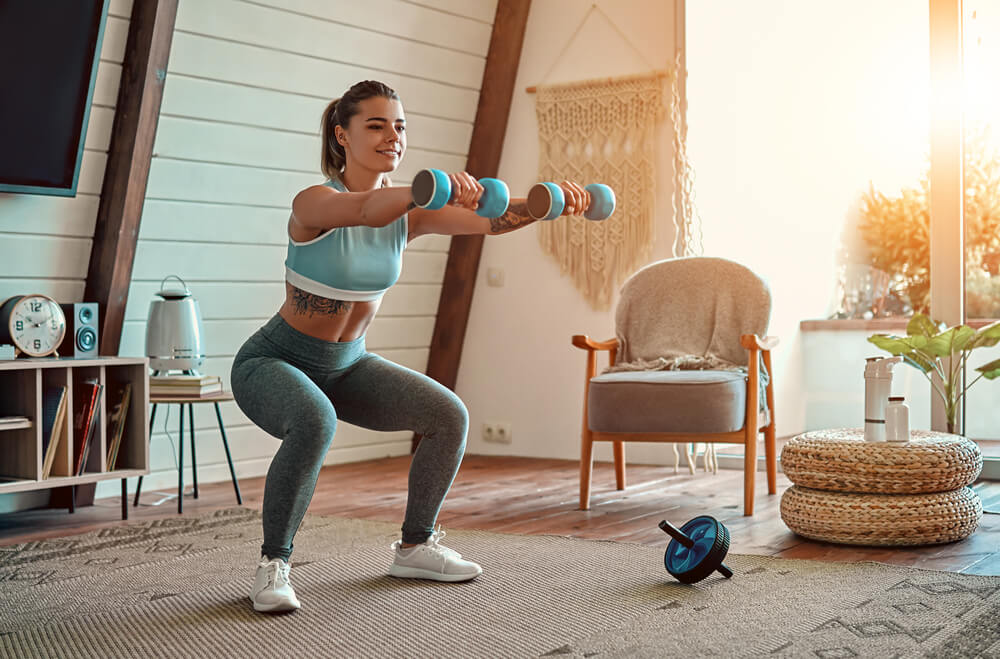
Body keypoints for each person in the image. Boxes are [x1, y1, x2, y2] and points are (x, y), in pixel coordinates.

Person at [230, 80, 590, 613]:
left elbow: (491, 219)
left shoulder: (413, 210)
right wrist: (430, 188)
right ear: (341, 135)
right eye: (375, 125)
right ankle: (273, 566)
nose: (392, 135)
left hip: (347, 365)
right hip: (274, 360)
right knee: (315, 421)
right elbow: (369, 209)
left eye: (399, 126)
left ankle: (416, 545)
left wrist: (547, 203)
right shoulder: (314, 202)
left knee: (447, 415)